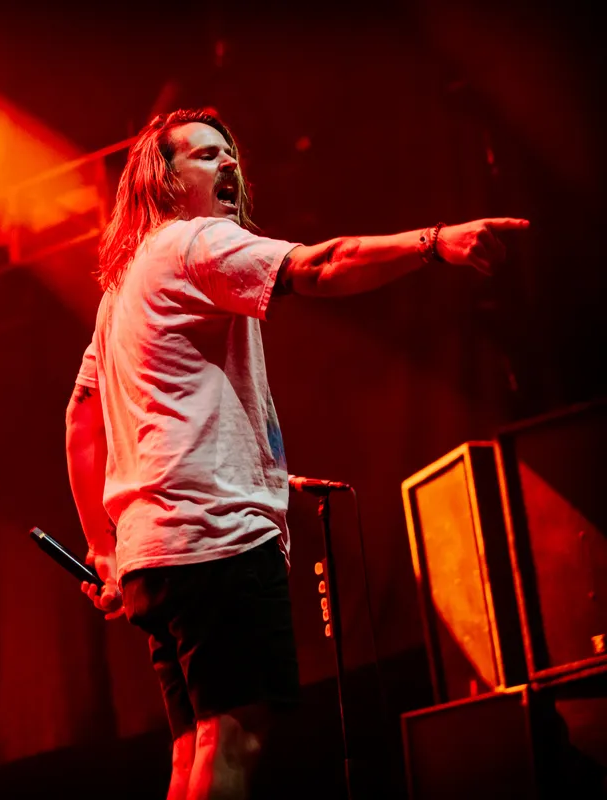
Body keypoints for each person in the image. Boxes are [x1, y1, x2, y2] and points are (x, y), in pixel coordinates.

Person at [64, 108, 527, 800]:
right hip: (214, 540)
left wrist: (104, 547)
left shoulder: (121, 289)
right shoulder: (194, 242)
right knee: (234, 738)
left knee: (194, 747)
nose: (229, 164)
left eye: (229, 153)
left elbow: (80, 418)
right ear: (164, 182)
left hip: (153, 556)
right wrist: (434, 242)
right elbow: (322, 265)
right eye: (205, 156)